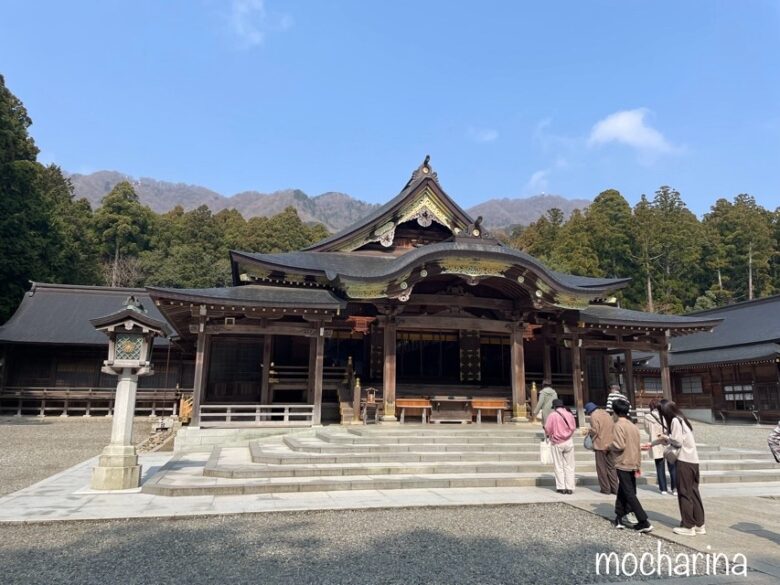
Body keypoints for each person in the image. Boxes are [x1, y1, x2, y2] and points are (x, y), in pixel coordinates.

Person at [654, 401, 705, 536]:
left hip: (684, 460)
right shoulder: (682, 420)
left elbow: (677, 441)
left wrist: (666, 437)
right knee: (693, 492)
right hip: (693, 460)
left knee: (684, 493)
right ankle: (699, 524)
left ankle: (688, 526)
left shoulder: (675, 421)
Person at [609, 399, 653, 532]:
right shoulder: (633, 426)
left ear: (615, 412)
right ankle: (619, 516)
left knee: (629, 492)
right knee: (624, 490)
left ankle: (644, 521)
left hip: (623, 462)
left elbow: (619, 445)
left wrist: (609, 446)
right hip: (633, 461)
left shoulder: (618, 425)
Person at [643, 400, 677, 495]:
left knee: (659, 467)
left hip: (656, 443)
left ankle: (663, 489)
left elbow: (646, 430)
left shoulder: (647, 417)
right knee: (672, 467)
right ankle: (674, 488)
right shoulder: (666, 415)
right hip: (668, 442)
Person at [544, 399, 577, 494]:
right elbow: (573, 427)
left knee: (558, 465)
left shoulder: (552, 415)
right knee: (569, 465)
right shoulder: (569, 414)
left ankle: (561, 487)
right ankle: (570, 487)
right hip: (568, 441)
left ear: (554, 407)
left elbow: (547, 429)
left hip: (557, 442)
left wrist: (550, 435)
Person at [585, 401, 618, 495]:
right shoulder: (606, 413)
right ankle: (615, 488)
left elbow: (595, 430)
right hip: (611, 444)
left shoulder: (594, 416)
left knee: (601, 468)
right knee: (611, 468)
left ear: (589, 411)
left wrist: (589, 432)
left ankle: (605, 489)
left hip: (600, 445)